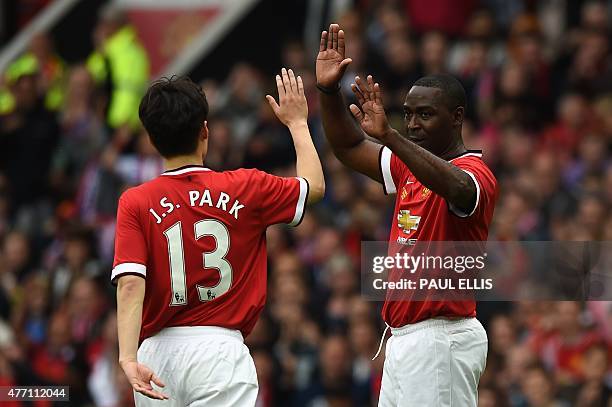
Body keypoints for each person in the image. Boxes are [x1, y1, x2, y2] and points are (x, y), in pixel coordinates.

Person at [112, 70, 324, 406]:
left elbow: (130, 284)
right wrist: (298, 123)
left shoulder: (135, 201)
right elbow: (313, 187)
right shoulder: (246, 186)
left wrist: (127, 358)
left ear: (151, 140)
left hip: (154, 356)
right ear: (205, 131)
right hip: (219, 351)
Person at [315, 24, 498, 406]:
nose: (413, 124)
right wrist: (328, 92)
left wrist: (391, 137)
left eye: (425, 115)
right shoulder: (408, 168)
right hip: (404, 340)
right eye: (409, 114)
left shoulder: (475, 173)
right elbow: (348, 146)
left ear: (457, 116)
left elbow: (459, 189)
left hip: (441, 337)